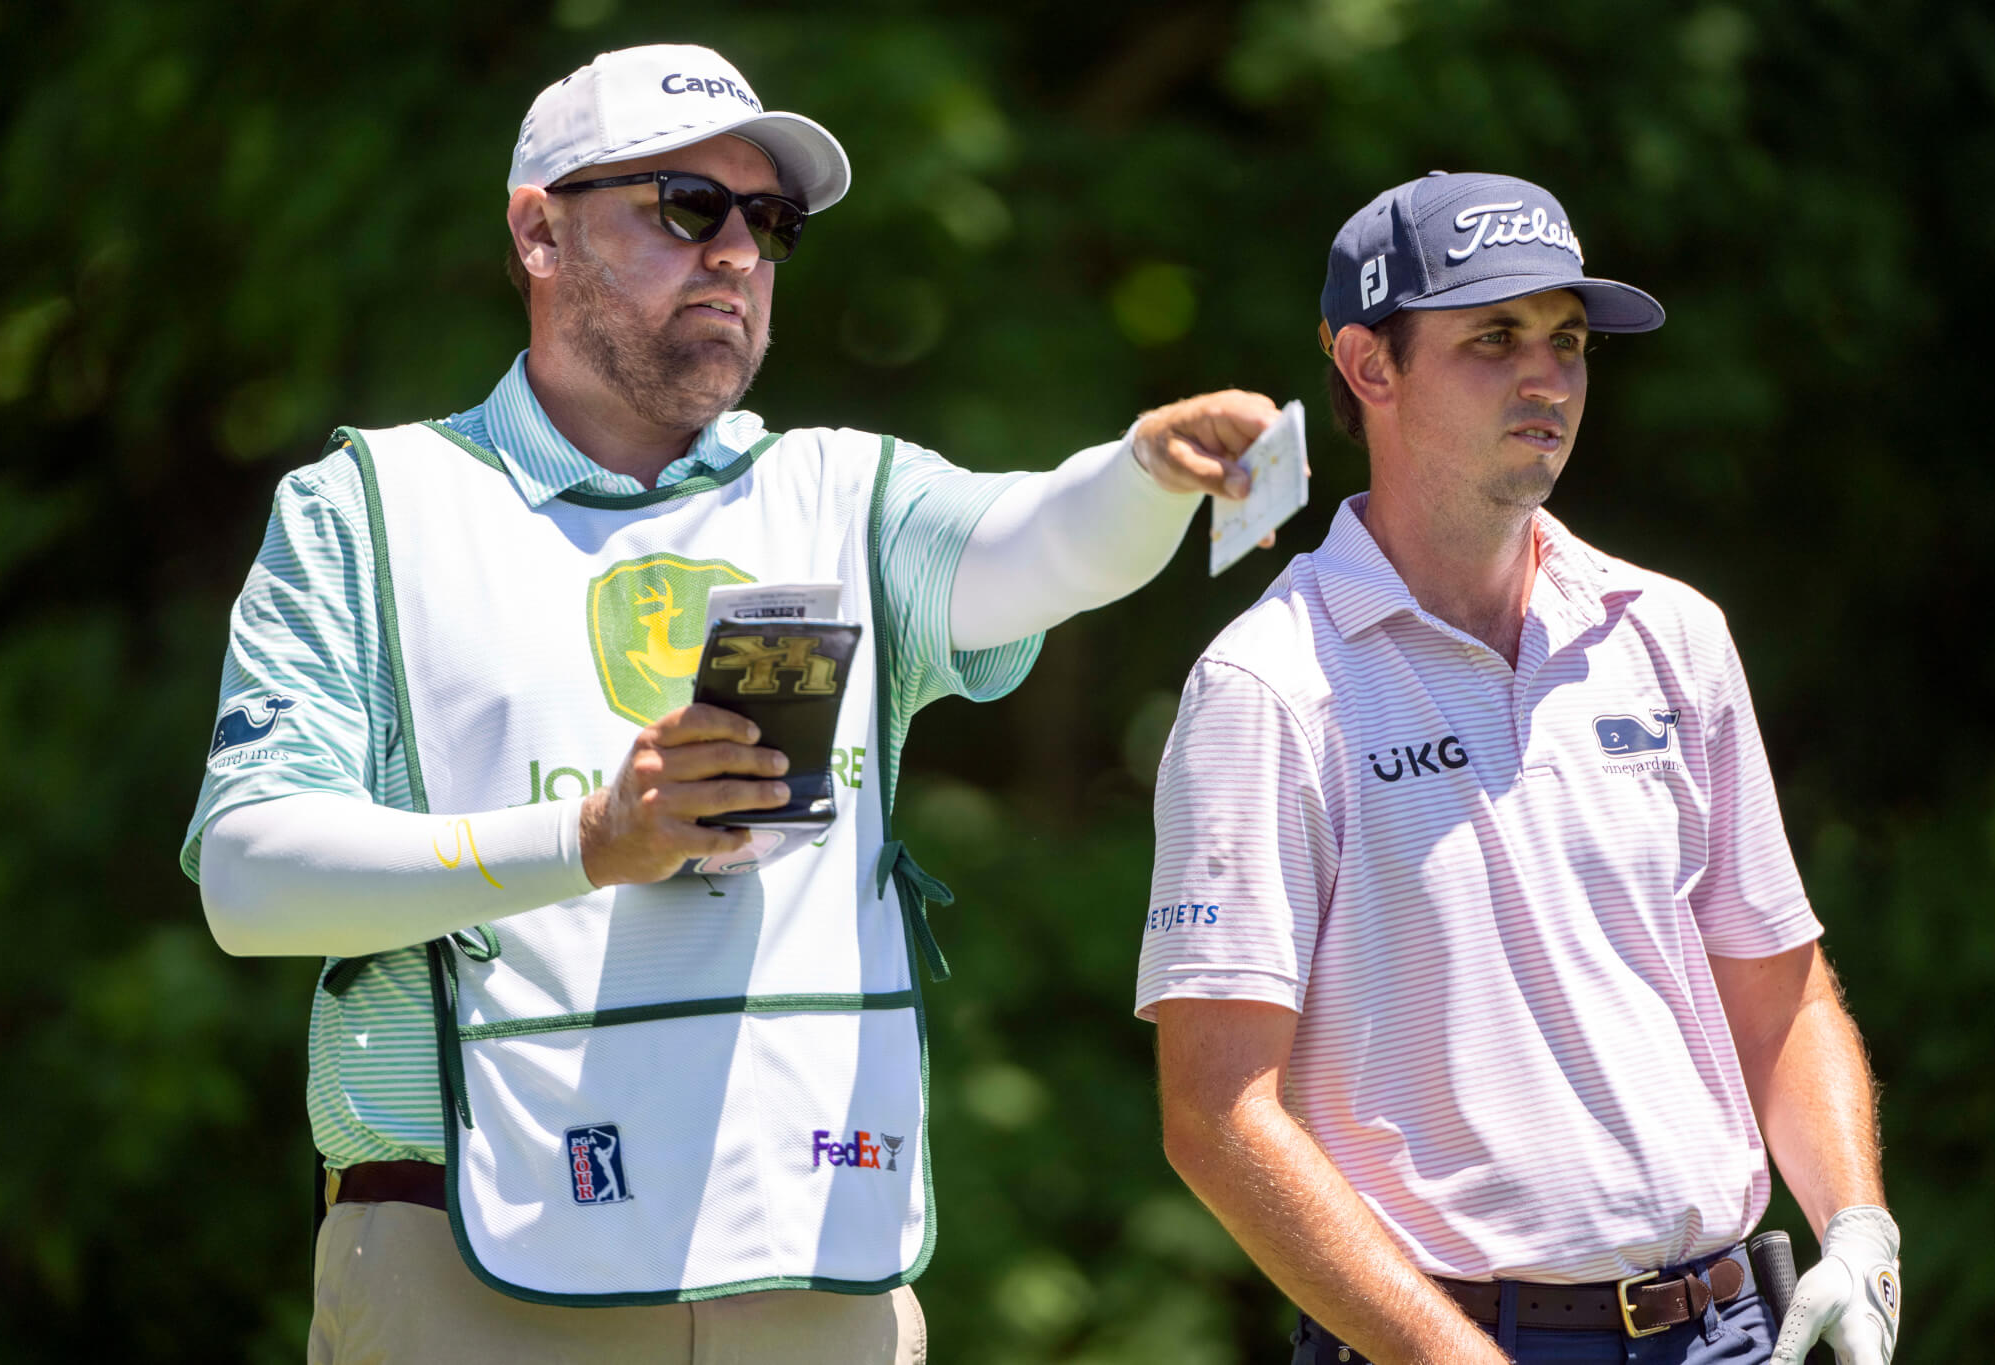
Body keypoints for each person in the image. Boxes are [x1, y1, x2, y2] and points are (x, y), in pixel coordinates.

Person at [184, 43, 1280, 1364]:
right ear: (538, 229)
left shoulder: (845, 490)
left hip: (809, 1255)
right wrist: (594, 843)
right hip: (472, 1258)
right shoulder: (370, 506)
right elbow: (249, 883)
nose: (738, 254)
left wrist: (1148, 476)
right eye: (686, 209)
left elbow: (1038, 545)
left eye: (771, 222)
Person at [1136, 171, 1902, 1365]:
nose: (1547, 378)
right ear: (1367, 365)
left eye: (1566, 340)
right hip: (1446, 1340)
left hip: (1726, 1332)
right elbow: (1217, 1114)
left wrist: (1856, 1228)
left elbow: (1778, 989)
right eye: (1492, 339)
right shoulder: (1266, 684)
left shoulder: (1669, 630)